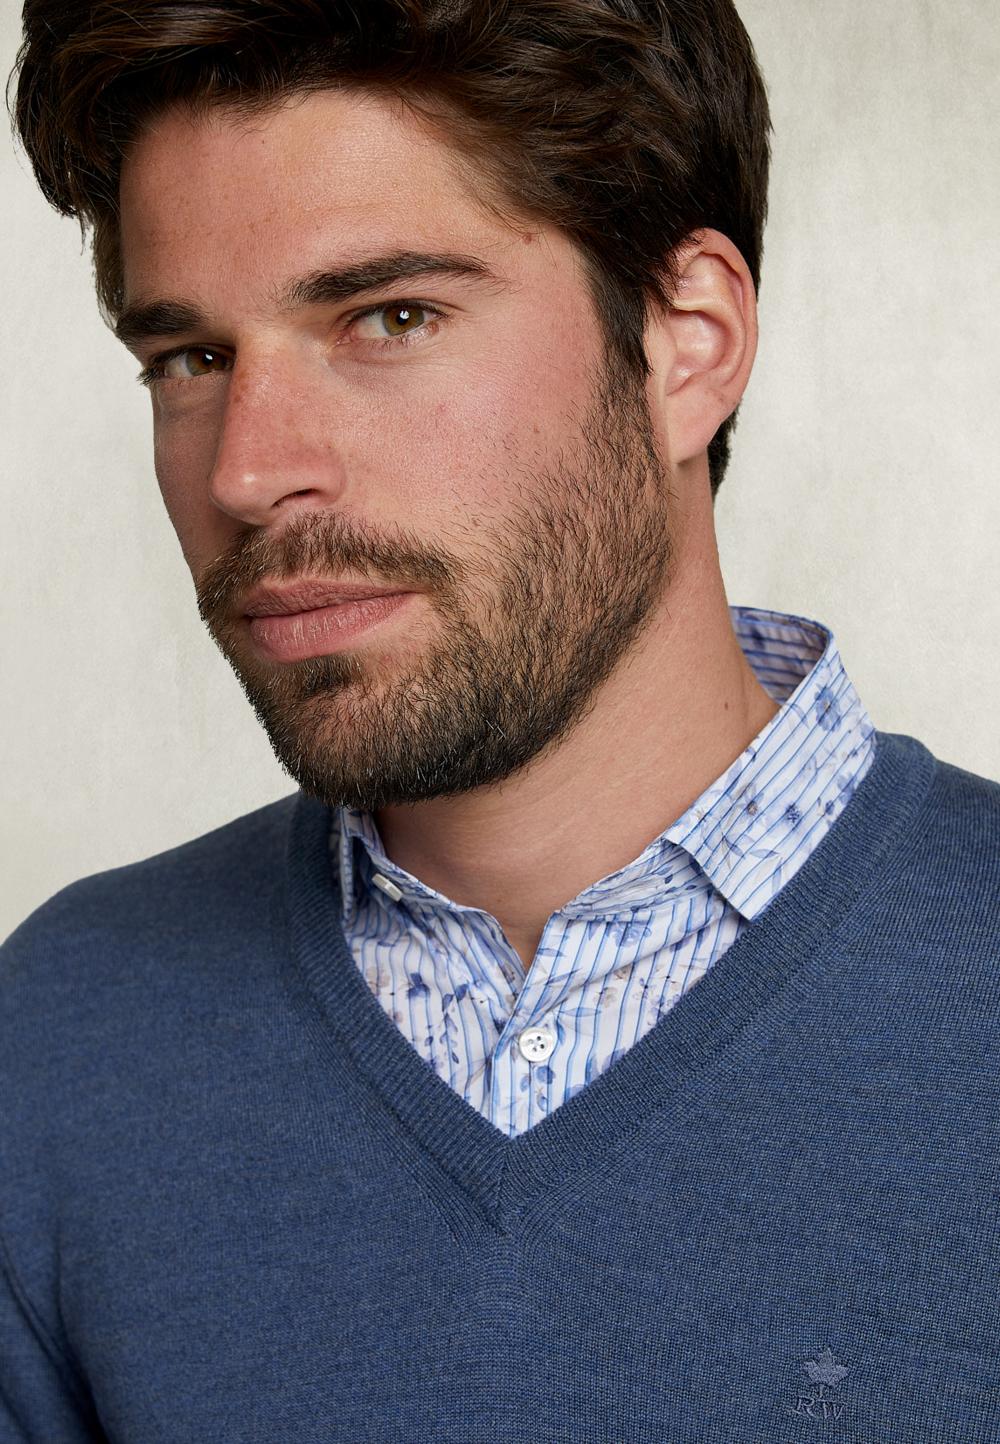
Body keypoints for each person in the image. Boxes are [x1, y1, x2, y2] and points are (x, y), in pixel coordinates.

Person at [2, 1, 998, 1439]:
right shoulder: (59, 1042)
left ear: (688, 345)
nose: (247, 473)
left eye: (390, 318)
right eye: (191, 360)